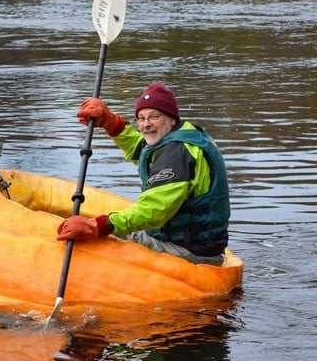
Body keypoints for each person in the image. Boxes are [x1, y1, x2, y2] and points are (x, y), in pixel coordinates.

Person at [56, 82, 230, 266]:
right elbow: (141, 149)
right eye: (141, 118)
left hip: (190, 252)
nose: (146, 124)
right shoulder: (185, 137)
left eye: (154, 117)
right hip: (199, 244)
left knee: (105, 237)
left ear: (171, 119)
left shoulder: (177, 154)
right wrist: (110, 122)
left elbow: (153, 212)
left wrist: (97, 226)